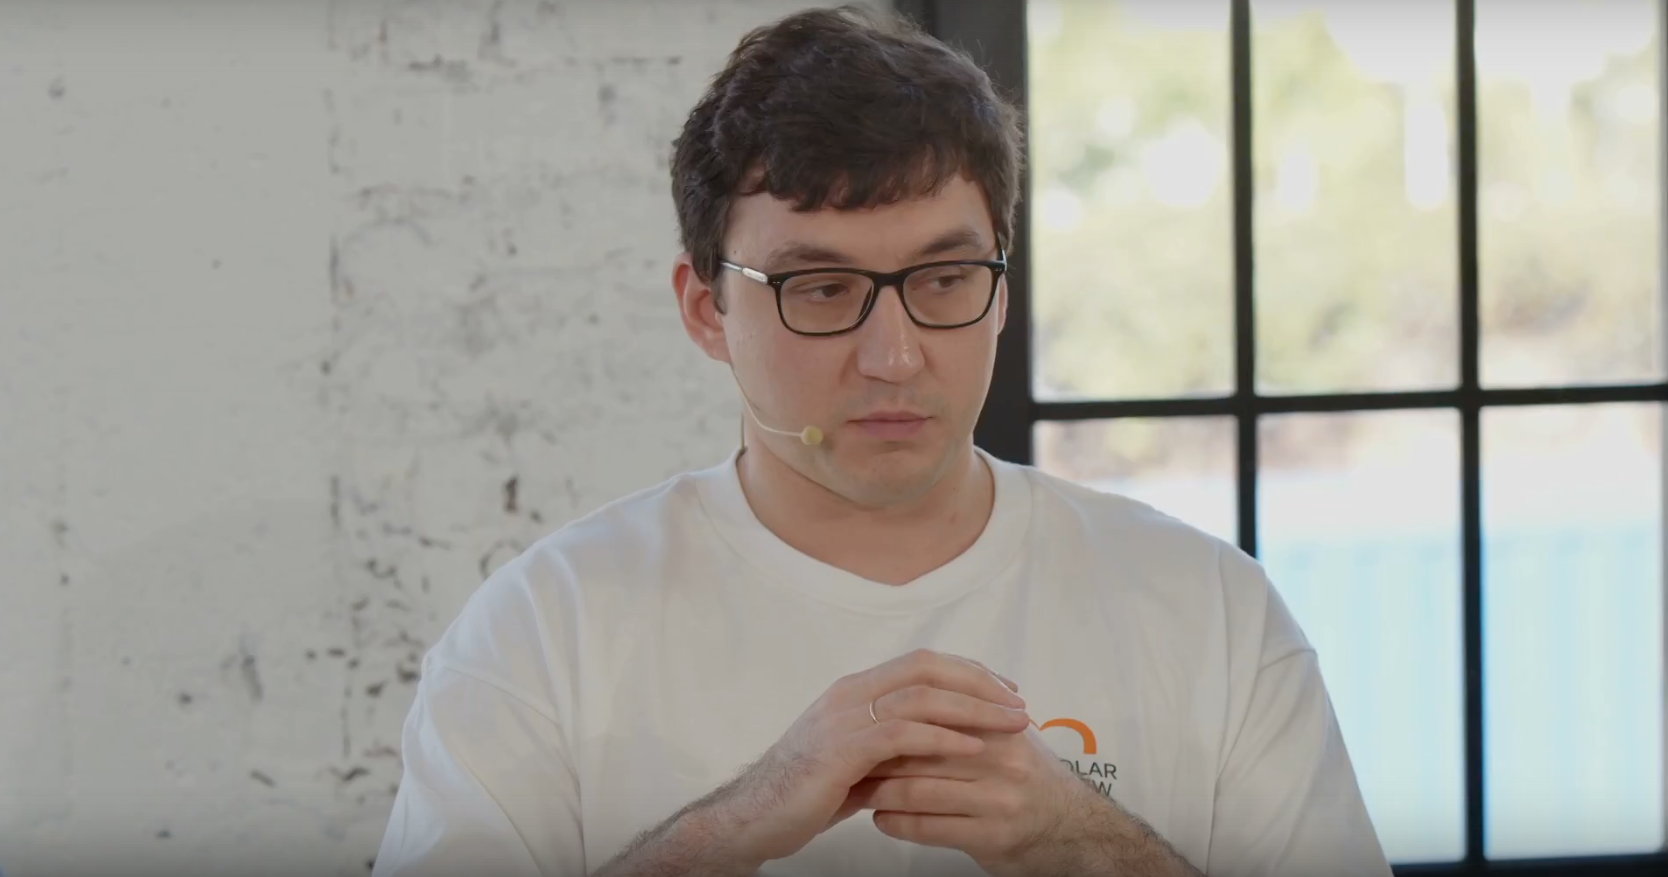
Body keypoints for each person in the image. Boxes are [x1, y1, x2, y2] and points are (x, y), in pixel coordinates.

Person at [370, 5, 1392, 877]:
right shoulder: (542, 636)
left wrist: (1083, 840)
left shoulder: (1209, 611)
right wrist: (729, 828)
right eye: (822, 289)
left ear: (1001, 290)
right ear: (706, 308)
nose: (894, 356)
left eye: (944, 280)